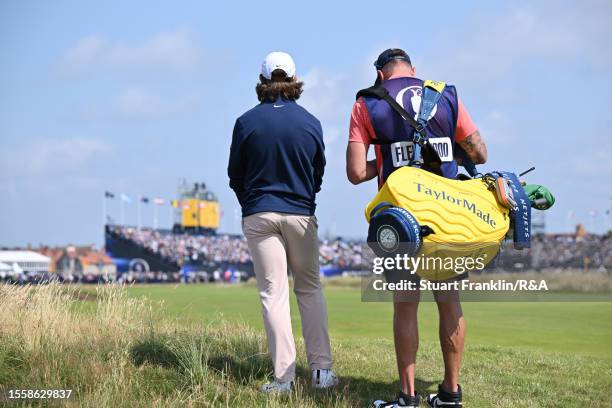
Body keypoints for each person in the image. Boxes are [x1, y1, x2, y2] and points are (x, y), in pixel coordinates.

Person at [346, 49, 488, 408]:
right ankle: (450, 394)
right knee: (449, 303)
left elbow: (355, 173)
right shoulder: (444, 95)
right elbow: (480, 154)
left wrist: (390, 156)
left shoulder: (367, 103)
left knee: (405, 307)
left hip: (400, 222)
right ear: (413, 70)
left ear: (380, 74)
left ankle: (407, 398)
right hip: (447, 220)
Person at [228, 51, 338, 393]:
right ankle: (321, 371)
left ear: (262, 81)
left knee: (273, 293)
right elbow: (318, 173)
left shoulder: (246, 122)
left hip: (260, 212)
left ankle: (284, 379)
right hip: (300, 213)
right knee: (309, 287)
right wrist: (305, 200)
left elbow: (235, 175)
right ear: (294, 80)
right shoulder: (311, 122)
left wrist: (251, 205)